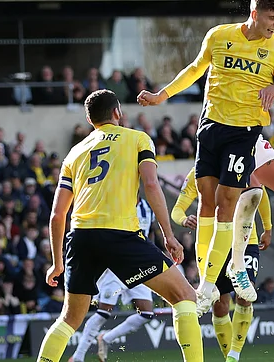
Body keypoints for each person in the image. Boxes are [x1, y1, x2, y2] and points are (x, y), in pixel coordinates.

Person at [138, 0, 274, 315]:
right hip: (210, 129)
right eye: (271, 18)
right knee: (207, 207)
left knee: (228, 203)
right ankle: (208, 281)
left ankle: (209, 286)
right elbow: (194, 69)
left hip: (244, 135)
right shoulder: (219, 36)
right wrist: (162, 95)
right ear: (255, 14)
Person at [36, 90, 203, 362]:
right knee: (185, 296)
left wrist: (57, 263)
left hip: (80, 239)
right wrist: (169, 236)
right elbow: (151, 184)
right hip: (121, 236)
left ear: (90, 120)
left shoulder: (74, 153)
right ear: (117, 113)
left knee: (69, 319)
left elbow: (57, 215)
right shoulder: (137, 139)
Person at [172, 167, 273, 362]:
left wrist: (267, 227)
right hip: (213, 242)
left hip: (245, 239)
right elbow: (177, 208)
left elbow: (259, 192)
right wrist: (184, 219)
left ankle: (234, 355)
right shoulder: (198, 171)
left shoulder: (238, 164)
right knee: (220, 305)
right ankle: (229, 357)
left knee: (246, 294)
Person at [69, 198, 157, 362]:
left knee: (146, 313)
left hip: (139, 264)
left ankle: (107, 338)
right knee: (104, 312)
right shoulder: (117, 202)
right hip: (116, 265)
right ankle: (78, 356)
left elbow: (150, 232)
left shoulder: (147, 207)